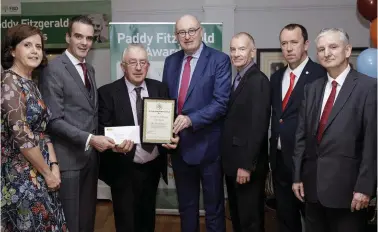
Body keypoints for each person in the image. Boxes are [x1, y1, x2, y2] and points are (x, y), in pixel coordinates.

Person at [292, 28, 377, 232]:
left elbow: (372, 143)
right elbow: (301, 137)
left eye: (333, 47)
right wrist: (297, 176)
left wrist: (365, 188)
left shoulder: (368, 88)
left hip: (349, 193)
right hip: (312, 190)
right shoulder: (311, 89)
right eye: (321, 49)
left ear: (347, 51)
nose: (326, 53)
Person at [39, 15, 115, 232]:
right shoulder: (54, 70)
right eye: (78, 36)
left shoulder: (88, 69)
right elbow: (54, 121)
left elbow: (90, 113)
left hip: (90, 159)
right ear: (68, 37)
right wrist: (91, 139)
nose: (84, 42)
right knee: (70, 223)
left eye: (89, 38)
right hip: (68, 161)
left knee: (87, 220)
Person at [98, 43, 180, 232]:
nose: (138, 67)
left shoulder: (160, 89)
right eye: (132, 62)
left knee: (147, 220)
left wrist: (172, 136)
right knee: (126, 222)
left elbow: (168, 121)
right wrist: (113, 145)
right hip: (123, 168)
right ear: (123, 66)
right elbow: (102, 128)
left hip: (152, 168)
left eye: (143, 62)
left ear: (148, 66)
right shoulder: (107, 92)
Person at [162, 14, 232, 232]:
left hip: (209, 149)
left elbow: (221, 103)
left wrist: (191, 119)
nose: (187, 36)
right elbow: (167, 104)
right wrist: (166, 134)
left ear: (201, 31)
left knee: (214, 209)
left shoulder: (219, 60)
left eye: (192, 30)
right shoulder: (170, 62)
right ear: (176, 36)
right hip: (180, 149)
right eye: (182, 32)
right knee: (186, 207)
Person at [1, 24, 67, 231]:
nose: (34, 51)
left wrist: (54, 165)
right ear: (12, 50)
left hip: (41, 170)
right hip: (20, 177)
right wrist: (48, 173)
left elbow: (42, 131)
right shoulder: (9, 82)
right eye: (27, 45)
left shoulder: (30, 83)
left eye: (38, 46)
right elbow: (22, 136)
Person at [269, 23, 326, 232]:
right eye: (284, 43)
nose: (289, 48)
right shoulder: (276, 78)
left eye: (294, 42)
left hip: (308, 163)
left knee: (313, 221)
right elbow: (278, 118)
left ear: (306, 44)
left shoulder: (321, 75)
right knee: (285, 219)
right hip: (280, 161)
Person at [221, 32, 271, 232]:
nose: (236, 53)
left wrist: (246, 166)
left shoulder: (258, 80)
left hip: (246, 167)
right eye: (233, 49)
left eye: (242, 49)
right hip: (234, 165)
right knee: (239, 218)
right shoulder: (239, 78)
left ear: (253, 51)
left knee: (250, 221)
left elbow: (258, 126)